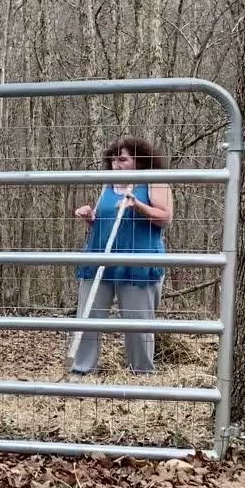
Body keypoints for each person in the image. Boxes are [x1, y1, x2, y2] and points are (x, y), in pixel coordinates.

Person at [68, 136, 173, 379]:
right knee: (88, 317)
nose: (116, 164)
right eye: (113, 159)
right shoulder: (107, 186)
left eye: (123, 159)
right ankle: (82, 370)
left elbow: (165, 218)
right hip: (99, 261)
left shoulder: (154, 183)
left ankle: (141, 374)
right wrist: (88, 217)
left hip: (138, 264)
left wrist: (138, 205)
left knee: (138, 324)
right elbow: (103, 222)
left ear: (139, 161)